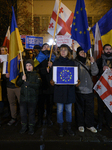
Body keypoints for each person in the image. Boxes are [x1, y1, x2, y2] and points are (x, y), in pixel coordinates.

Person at [50, 44, 75, 137]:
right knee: (59, 110)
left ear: (68, 52)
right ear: (59, 51)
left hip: (69, 90)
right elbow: (52, 76)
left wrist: (77, 81)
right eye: (61, 50)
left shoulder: (72, 63)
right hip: (59, 90)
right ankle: (60, 127)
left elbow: (75, 75)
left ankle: (68, 127)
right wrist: (52, 80)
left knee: (69, 110)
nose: (63, 51)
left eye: (65, 50)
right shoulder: (55, 62)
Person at [74, 46, 98, 133]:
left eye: (84, 52)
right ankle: (80, 124)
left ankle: (89, 125)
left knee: (89, 108)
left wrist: (93, 63)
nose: (83, 54)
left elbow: (95, 72)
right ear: (78, 54)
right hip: (79, 90)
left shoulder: (89, 62)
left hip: (89, 90)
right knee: (79, 108)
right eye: (81, 52)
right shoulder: (75, 63)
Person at [16, 59, 41, 135]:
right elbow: (18, 84)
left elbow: (38, 85)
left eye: (30, 65)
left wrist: (28, 83)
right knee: (23, 114)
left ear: (33, 66)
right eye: (27, 65)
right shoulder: (22, 74)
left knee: (31, 114)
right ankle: (24, 127)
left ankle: (31, 127)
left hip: (32, 99)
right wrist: (21, 79)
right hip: (23, 98)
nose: (28, 67)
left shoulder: (36, 75)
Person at [35, 43, 54, 127]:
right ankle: (40, 119)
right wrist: (43, 69)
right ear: (41, 49)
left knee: (50, 103)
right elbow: (34, 69)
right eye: (45, 47)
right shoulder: (37, 58)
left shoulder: (53, 58)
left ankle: (49, 118)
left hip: (50, 84)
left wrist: (52, 66)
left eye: (48, 47)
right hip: (41, 84)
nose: (46, 48)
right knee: (40, 103)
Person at [96, 44, 112, 131]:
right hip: (102, 87)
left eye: (110, 49)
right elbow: (95, 72)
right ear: (103, 51)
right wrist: (102, 69)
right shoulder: (99, 60)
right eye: (107, 49)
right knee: (100, 106)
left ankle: (108, 122)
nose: (108, 51)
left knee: (110, 105)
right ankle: (100, 123)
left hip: (111, 87)